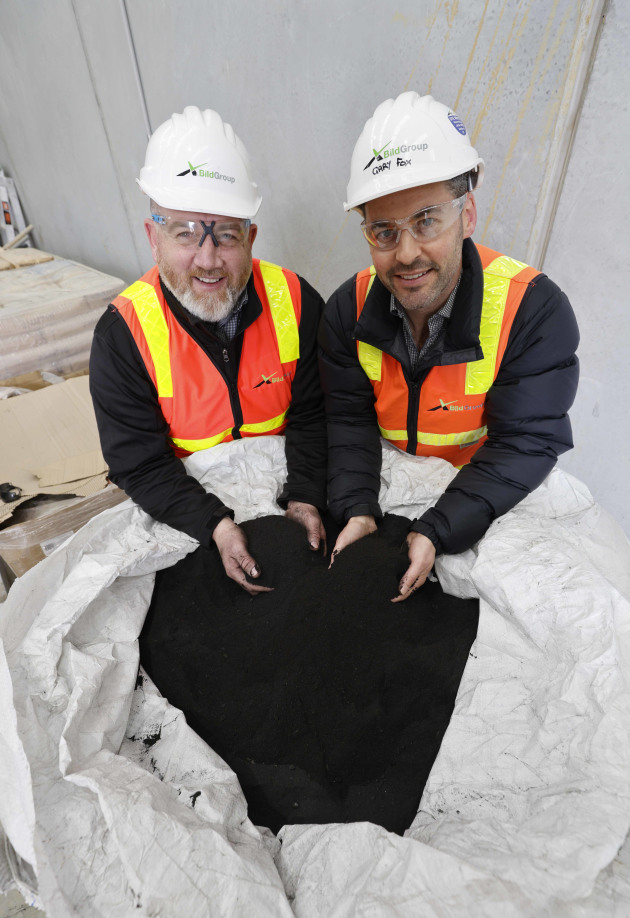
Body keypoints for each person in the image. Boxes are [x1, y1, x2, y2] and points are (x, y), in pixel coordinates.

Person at [319, 91, 579, 601]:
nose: (407, 253)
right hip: (390, 490)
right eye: (384, 231)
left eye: (427, 221)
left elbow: (525, 442)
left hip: (485, 493)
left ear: (468, 214)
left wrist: (439, 529)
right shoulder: (345, 312)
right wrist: (355, 508)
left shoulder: (532, 311)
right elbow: (348, 421)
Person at [90, 106, 327, 595]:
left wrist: (306, 497)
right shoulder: (123, 336)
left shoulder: (298, 301)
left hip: (293, 494)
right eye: (185, 234)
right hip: (189, 511)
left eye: (226, 234)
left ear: (251, 237)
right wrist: (216, 526)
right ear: (152, 237)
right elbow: (141, 464)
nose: (208, 259)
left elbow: (317, 414)